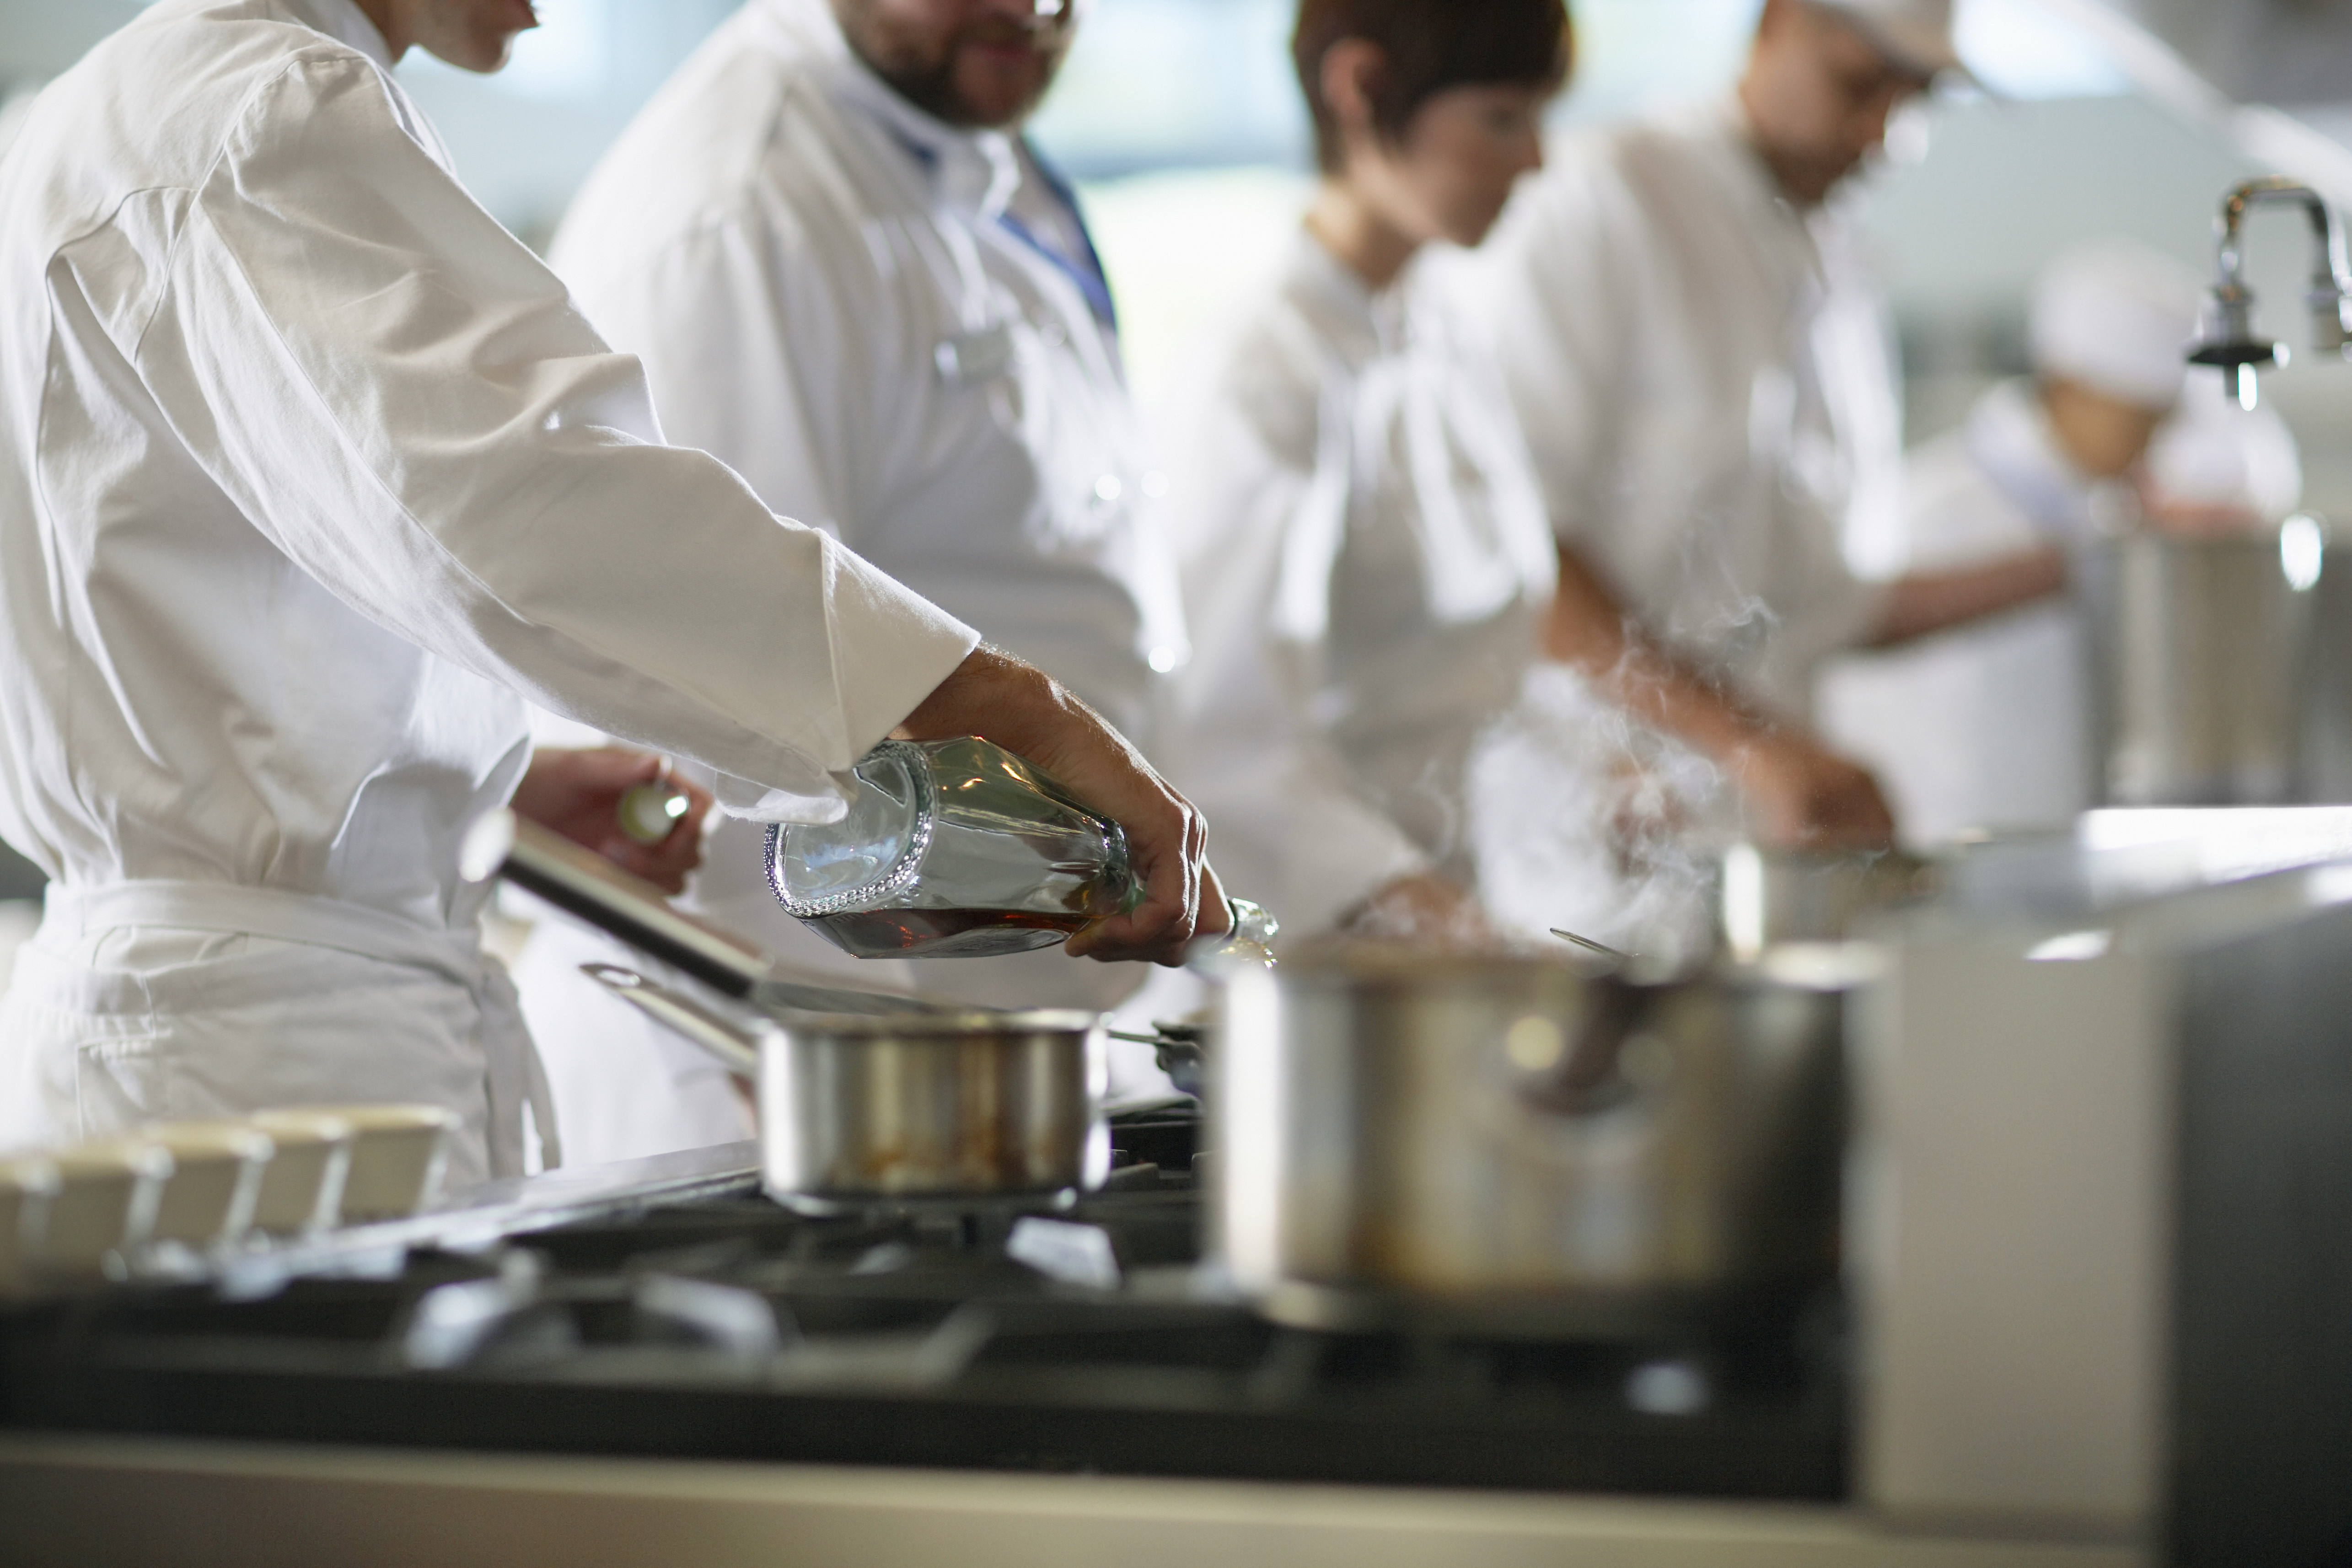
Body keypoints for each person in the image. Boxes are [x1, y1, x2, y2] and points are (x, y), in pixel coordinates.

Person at [0, 0, 1219, 1188]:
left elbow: (202, 605)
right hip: (263, 1063)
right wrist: (1005, 711)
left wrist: (481, 799)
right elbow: (539, 514)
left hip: (259, 1015)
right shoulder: (251, 114)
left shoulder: (150, 104)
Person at [513, 0, 1195, 1164]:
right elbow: (723, 700)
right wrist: (804, 1072)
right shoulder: (741, 214)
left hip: (982, 1050)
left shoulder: (963, 134)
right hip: (815, 1090)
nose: (1035, 11)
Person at [1471, 0, 2069, 852]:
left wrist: (2088, 562)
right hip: (1594, 823)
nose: (1879, 136)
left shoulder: (1830, 264)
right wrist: (1750, 744)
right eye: (1858, 87)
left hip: (1765, 832)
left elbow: (1823, 604)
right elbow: (1516, 548)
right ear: (1775, 23)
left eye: (1909, 103)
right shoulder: (1602, 199)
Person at [1158, 0, 1569, 939]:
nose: (1535, 159)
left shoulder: (1445, 331)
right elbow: (1232, 743)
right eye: (1501, 118)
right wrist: (1418, 904)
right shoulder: (1263, 375)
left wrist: (1614, 777)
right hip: (1325, 951)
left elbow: (1480, 670)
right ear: (1357, 89)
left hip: (1452, 909)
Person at [1820, 240, 2294, 842]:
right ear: (2069, 385)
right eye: (2140, 418)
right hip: (1944, 847)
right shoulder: (1925, 512)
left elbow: (2256, 480)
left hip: (2062, 848)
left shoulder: (2104, 507)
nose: (2154, 443)